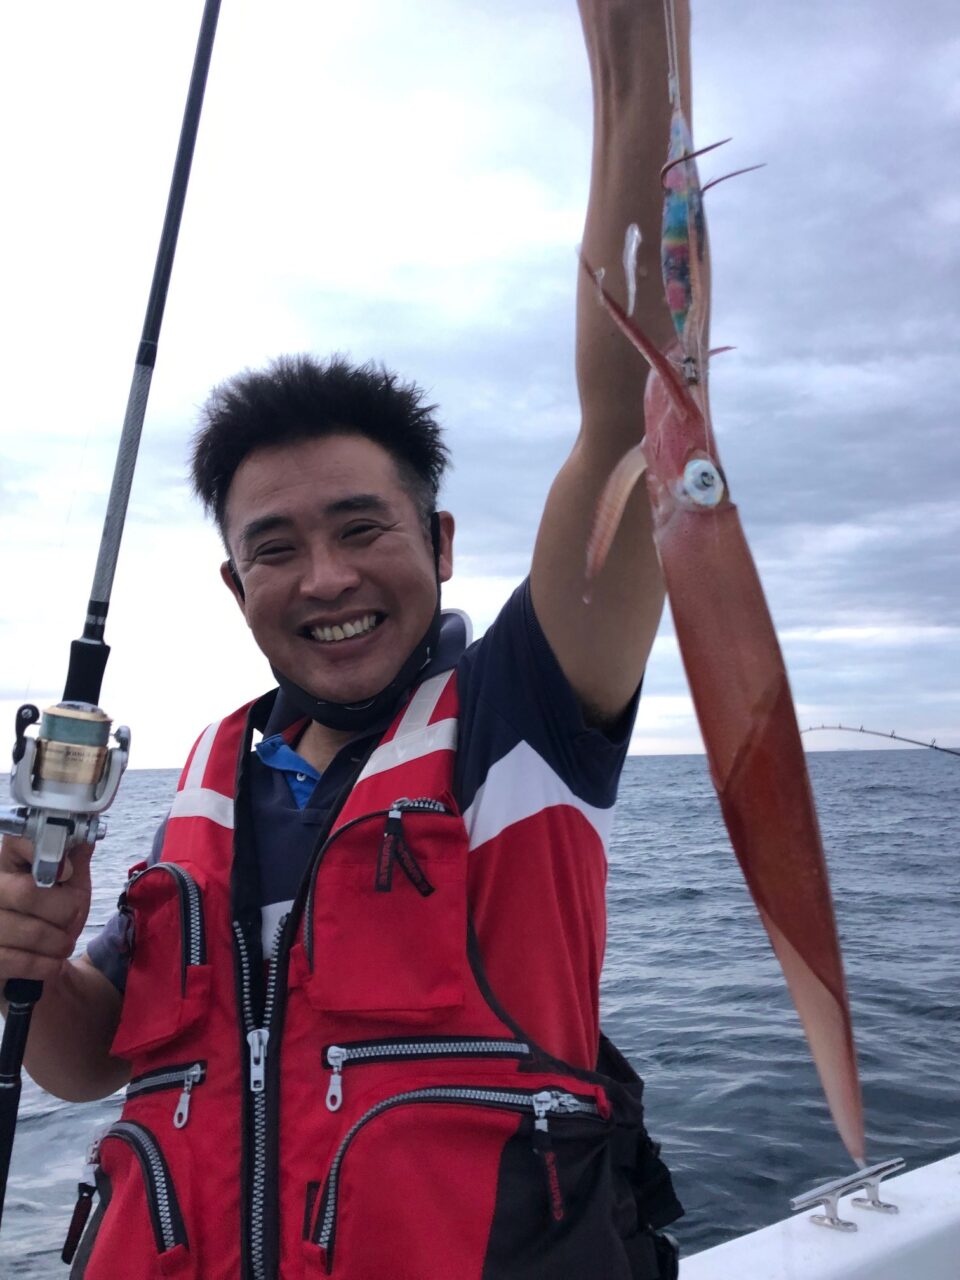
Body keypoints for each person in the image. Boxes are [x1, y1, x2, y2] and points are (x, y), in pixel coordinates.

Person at [0, 2, 695, 1276]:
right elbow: (90, 1059)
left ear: (440, 541)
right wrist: (27, 961)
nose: (325, 578)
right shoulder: (211, 776)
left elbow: (636, 419)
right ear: (236, 584)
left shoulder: (527, 713)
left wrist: (638, 61)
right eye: (275, 547)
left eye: (361, 527)